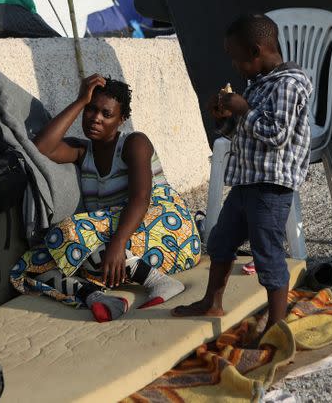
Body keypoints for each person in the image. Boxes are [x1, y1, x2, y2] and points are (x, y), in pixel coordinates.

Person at [10, 75, 201, 322]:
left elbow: (141, 198)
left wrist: (119, 244)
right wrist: (80, 100)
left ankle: (158, 281)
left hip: (168, 233)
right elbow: (42, 148)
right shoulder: (81, 152)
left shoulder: (135, 143)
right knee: (34, 262)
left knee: (67, 232)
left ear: (121, 119)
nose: (95, 118)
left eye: (106, 114)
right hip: (121, 248)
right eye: (91, 110)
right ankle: (94, 296)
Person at [172, 14, 312, 334]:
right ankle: (212, 301)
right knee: (220, 241)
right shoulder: (258, 85)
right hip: (247, 182)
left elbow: (276, 134)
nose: (234, 66)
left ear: (255, 51)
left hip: (271, 187)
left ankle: (277, 326)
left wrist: (243, 109)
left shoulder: (289, 84)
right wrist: (223, 119)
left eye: (236, 58)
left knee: (267, 254)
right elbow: (242, 133)